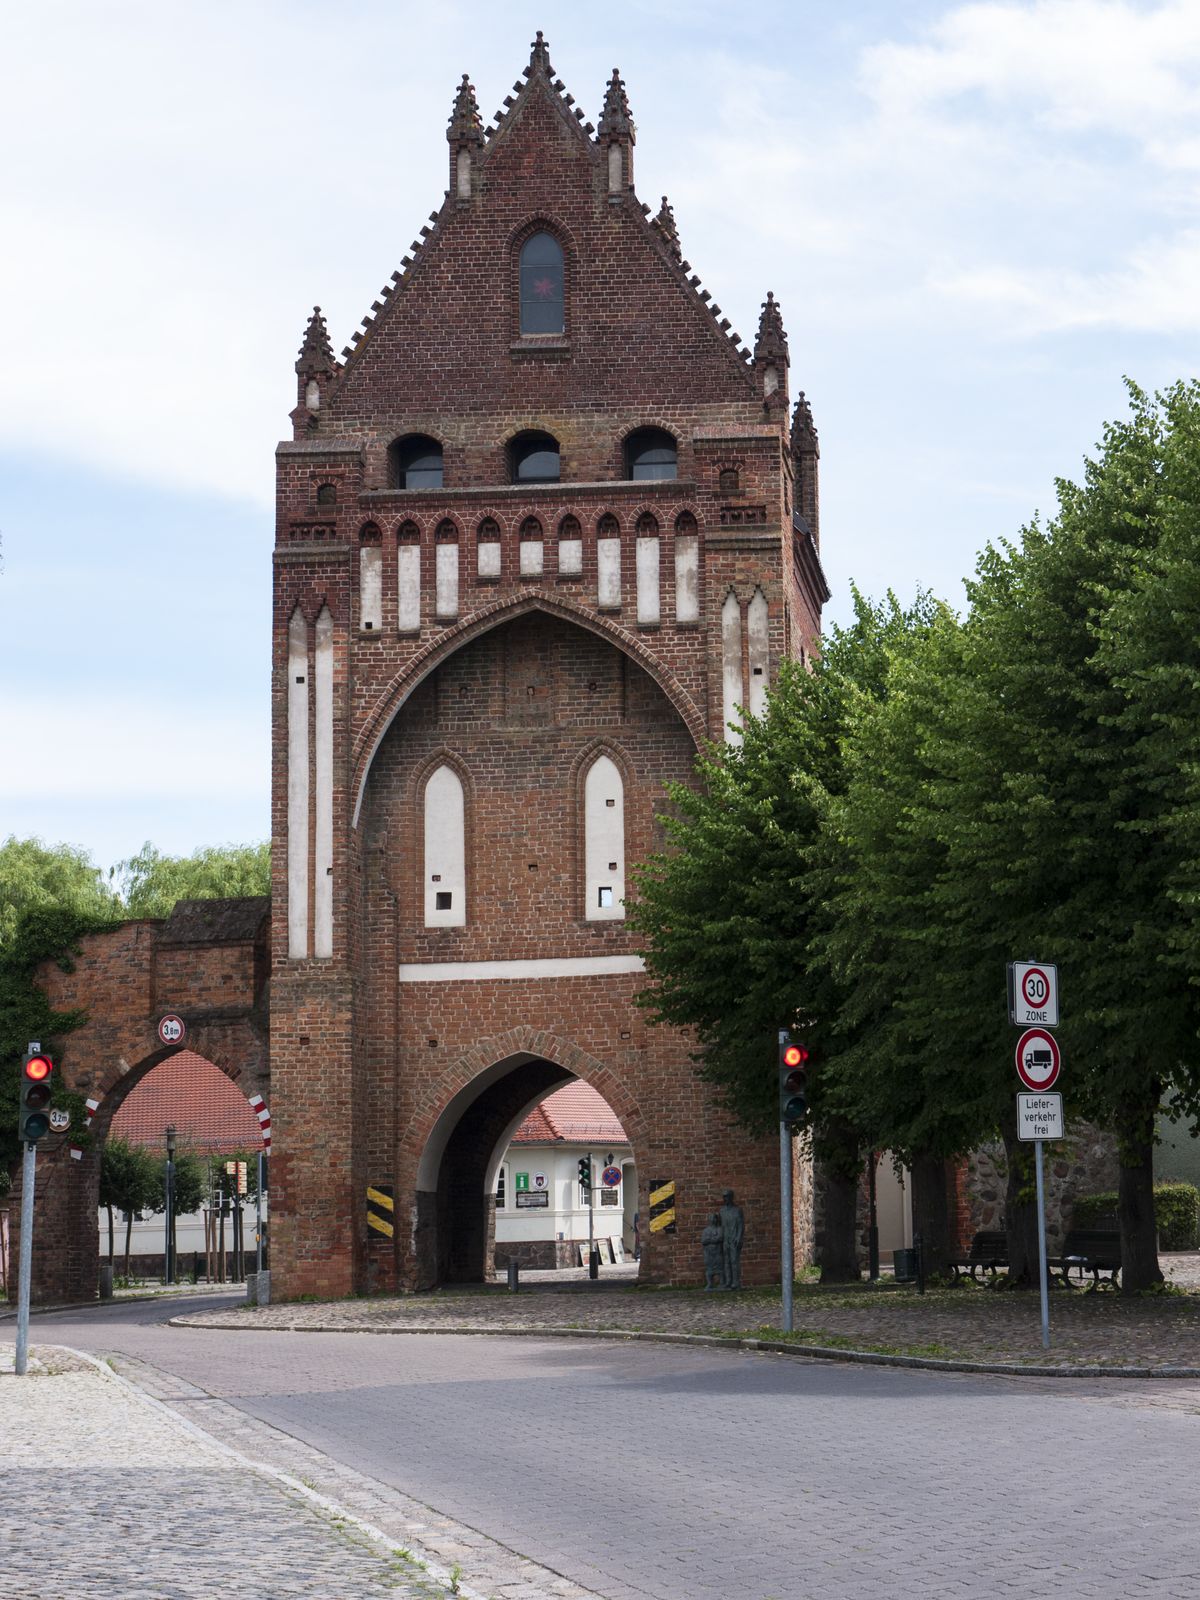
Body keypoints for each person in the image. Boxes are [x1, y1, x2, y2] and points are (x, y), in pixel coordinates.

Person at [719, 1188, 745, 1290]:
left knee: (734, 1261)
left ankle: (736, 1282)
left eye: (727, 1196)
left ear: (731, 1197)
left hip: (734, 1239)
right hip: (726, 1239)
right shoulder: (722, 1211)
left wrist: (739, 1237)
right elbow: (721, 1226)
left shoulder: (737, 1210)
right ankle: (728, 1281)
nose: (725, 1199)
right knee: (726, 1261)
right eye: (724, 1197)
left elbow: (741, 1225)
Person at [701, 1213, 723, 1289]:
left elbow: (720, 1238)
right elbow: (703, 1241)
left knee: (720, 1268)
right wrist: (713, 1239)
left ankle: (722, 1283)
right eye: (711, 1218)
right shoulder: (705, 1230)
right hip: (708, 1253)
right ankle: (710, 1283)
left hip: (718, 1252)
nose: (712, 1220)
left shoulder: (720, 1229)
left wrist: (710, 1239)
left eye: (714, 1218)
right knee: (709, 1269)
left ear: (716, 1220)